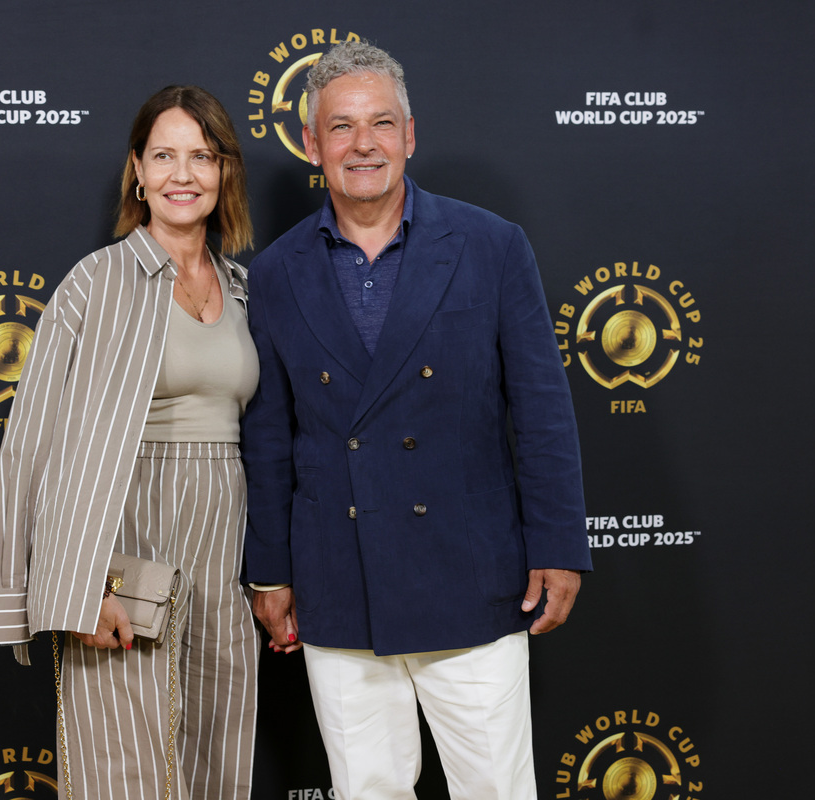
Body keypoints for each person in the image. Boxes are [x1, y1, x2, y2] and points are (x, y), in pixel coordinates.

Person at [241, 42, 592, 800]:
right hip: (338, 579)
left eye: (380, 124)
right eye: (341, 126)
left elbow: (541, 410)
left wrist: (559, 544)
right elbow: (268, 438)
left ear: (409, 135)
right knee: (368, 790)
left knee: (496, 790)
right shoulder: (273, 273)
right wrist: (269, 571)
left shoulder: (492, 246)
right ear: (311, 143)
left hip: (473, 575)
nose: (362, 144)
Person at [0, 85, 260, 800]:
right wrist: (79, 585)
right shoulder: (93, 285)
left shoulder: (247, 289)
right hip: (125, 554)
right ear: (137, 170)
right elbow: (32, 446)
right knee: (124, 777)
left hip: (222, 560)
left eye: (201, 156)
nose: (182, 174)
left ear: (225, 172)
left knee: (214, 769)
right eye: (163, 156)